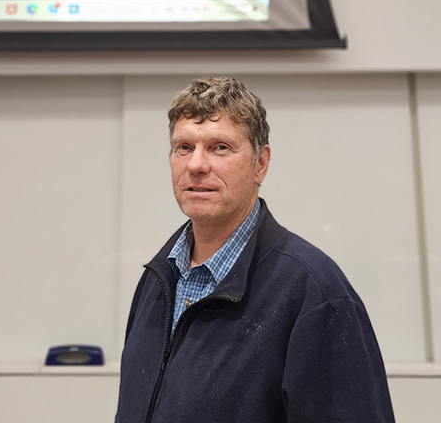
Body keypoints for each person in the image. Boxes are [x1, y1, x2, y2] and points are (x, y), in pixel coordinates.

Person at [115, 76, 395, 423]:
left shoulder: (315, 293)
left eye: (220, 147)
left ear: (260, 164)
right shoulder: (158, 280)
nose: (196, 165)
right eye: (184, 147)